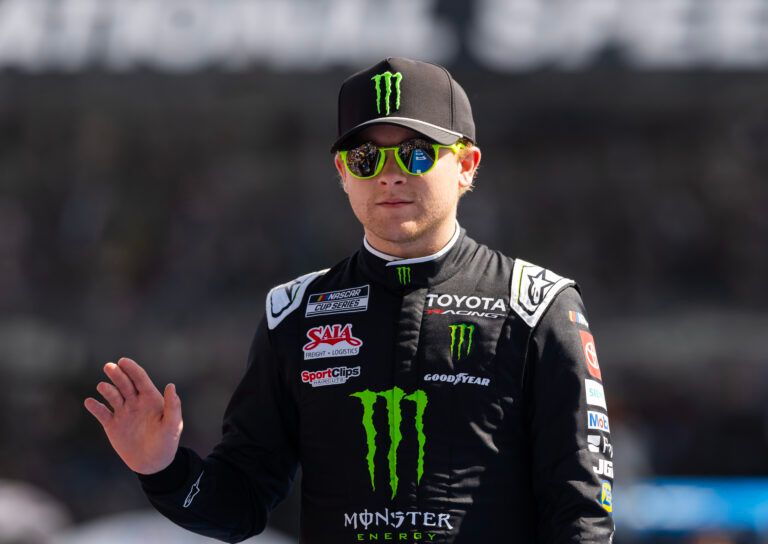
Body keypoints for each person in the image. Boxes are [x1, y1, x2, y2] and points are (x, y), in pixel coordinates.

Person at [84, 57, 615, 543]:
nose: (390, 174)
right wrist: (163, 469)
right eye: (365, 157)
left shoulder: (538, 307)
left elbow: (581, 516)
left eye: (416, 152)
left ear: (466, 165)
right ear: (342, 173)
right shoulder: (294, 313)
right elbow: (240, 504)